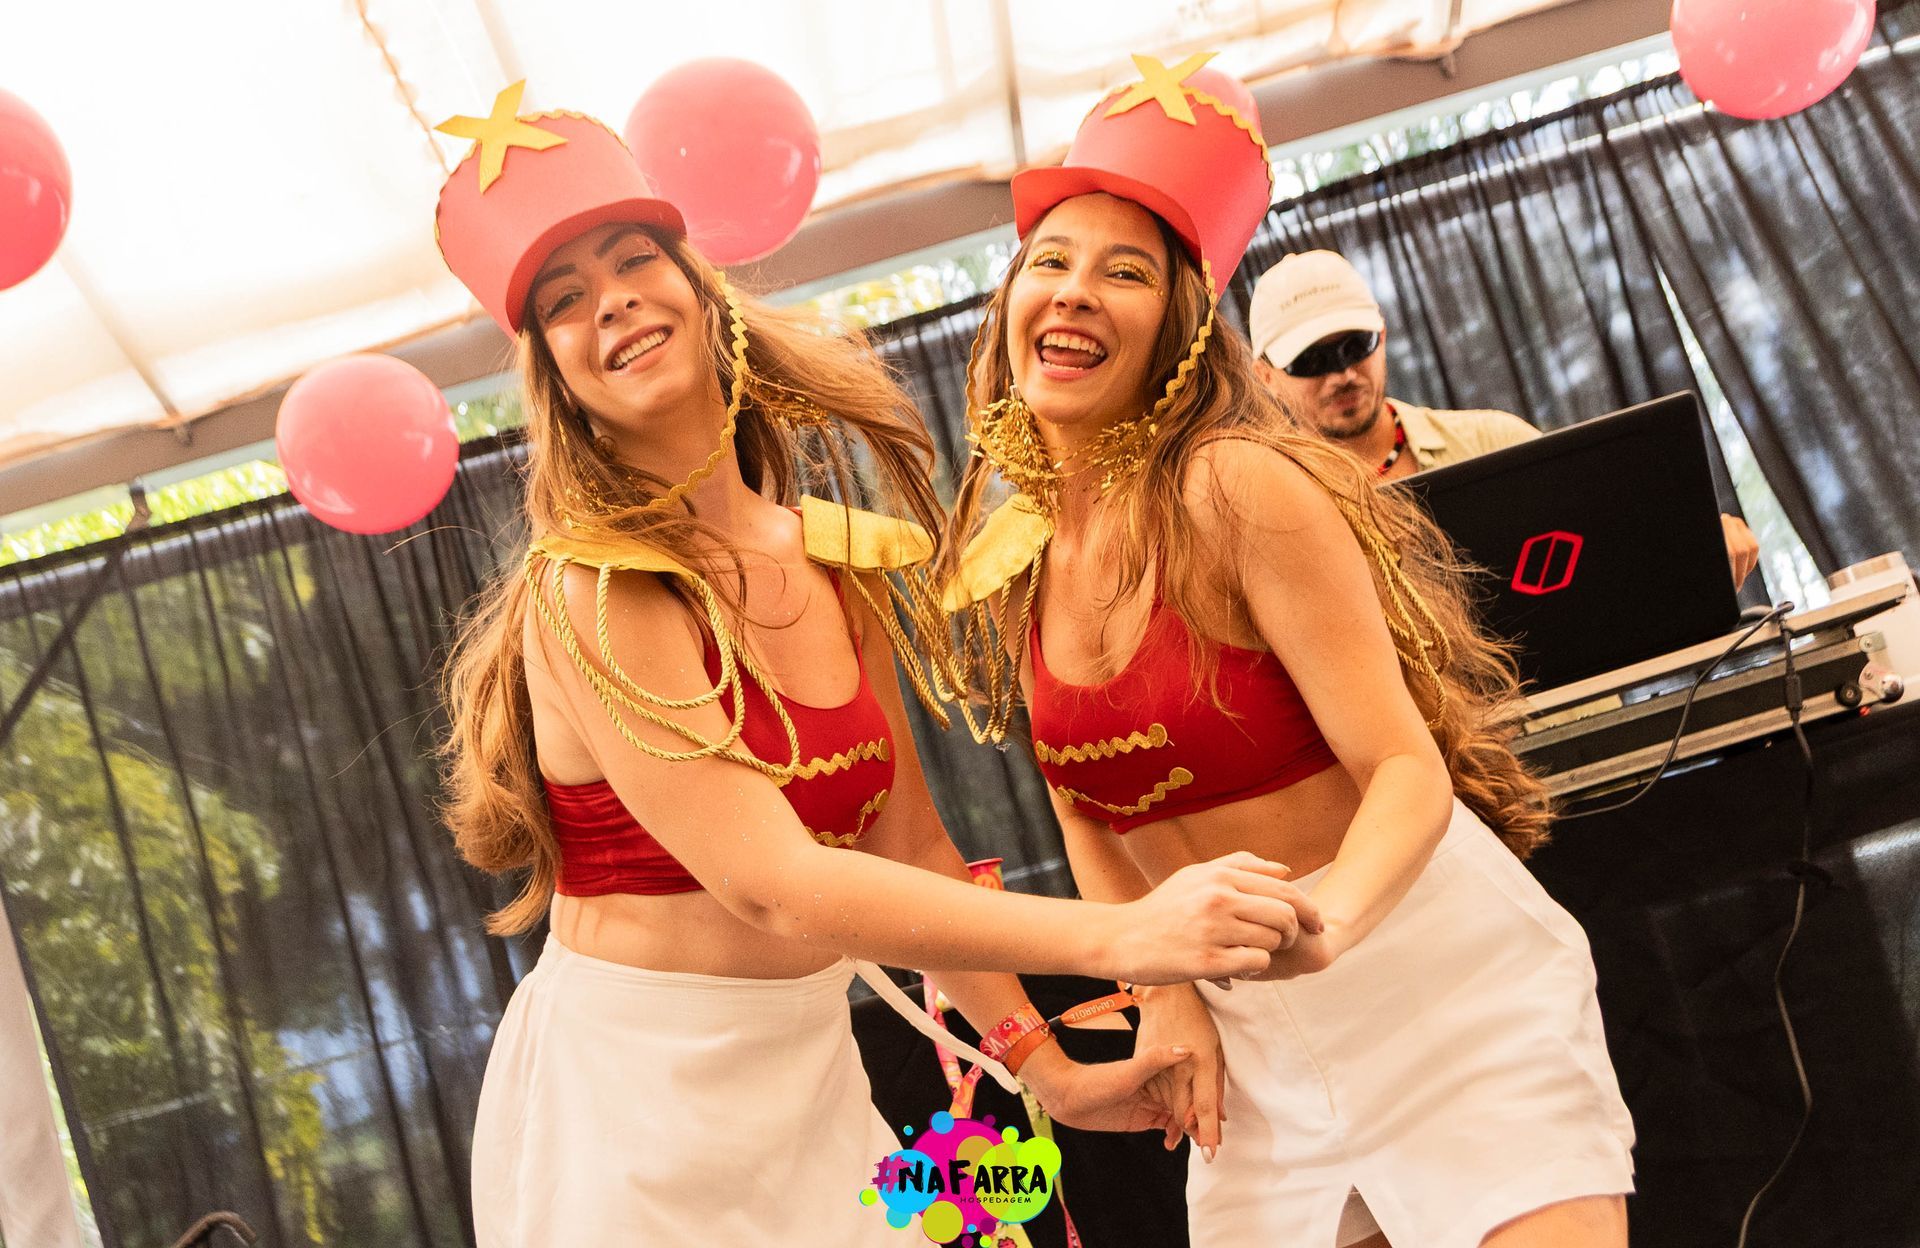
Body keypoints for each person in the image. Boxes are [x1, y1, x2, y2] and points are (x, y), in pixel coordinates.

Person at [429, 86, 1320, 1245]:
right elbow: (775, 883)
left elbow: (910, 848)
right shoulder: (591, 588)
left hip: (806, 1078)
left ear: (702, 293)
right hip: (627, 1110)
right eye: (563, 300)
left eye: (634, 259)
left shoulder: (832, 560)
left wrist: (1045, 1068)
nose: (612, 301)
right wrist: (1123, 938)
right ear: (555, 373)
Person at [934, 55, 1635, 1248]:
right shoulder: (1021, 552)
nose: (1075, 293)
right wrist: (1165, 994)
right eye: (1050, 261)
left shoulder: (1235, 485)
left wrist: (1335, 926)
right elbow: (1089, 815)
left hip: (1432, 983)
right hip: (1249, 1048)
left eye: (1124, 272)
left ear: (1180, 329)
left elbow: (1405, 769)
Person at [1248, 249, 1761, 588]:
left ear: (1382, 333)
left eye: (1356, 345)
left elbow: (1615, 553)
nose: (1342, 374)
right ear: (1265, 376)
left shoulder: (1496, 442)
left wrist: (1699, 547)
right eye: (1311, 360)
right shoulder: (1266, 518)